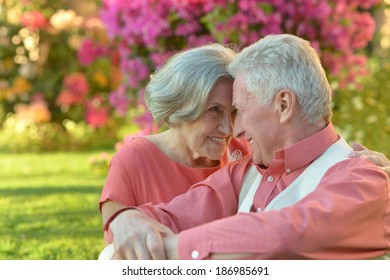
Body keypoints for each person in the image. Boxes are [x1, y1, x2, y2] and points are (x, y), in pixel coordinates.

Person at [107, 34, 390, 260]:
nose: (235, 129)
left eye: (239, 110)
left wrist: (173, 251)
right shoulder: (246, 172)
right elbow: (170, 216)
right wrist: (129, 220)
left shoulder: (362, 177)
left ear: (283, 105)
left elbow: (290, 234)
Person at [98, 44, 251, 246]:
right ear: (180, 107)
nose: (229, 128)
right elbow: (119, 249)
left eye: (234, 113)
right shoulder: (133, 160)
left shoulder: (245, 152)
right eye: (214, 110)